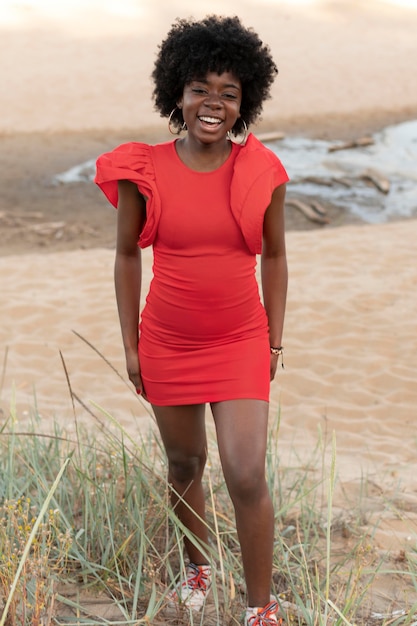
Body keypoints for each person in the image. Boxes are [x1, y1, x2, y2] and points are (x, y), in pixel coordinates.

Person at [95, 15, 288, 626]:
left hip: (240, 340)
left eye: (229, 93)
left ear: (244, 103)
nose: (214, 103)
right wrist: (131, 347)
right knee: (185, 466)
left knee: (245, 470)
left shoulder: (261, 171)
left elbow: (277, 256)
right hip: (168, 342)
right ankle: (196, 569)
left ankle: (261, 608)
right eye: (201, 87)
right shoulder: (142, 170)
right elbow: (127, 256)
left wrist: (274, 343)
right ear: (176, 92)